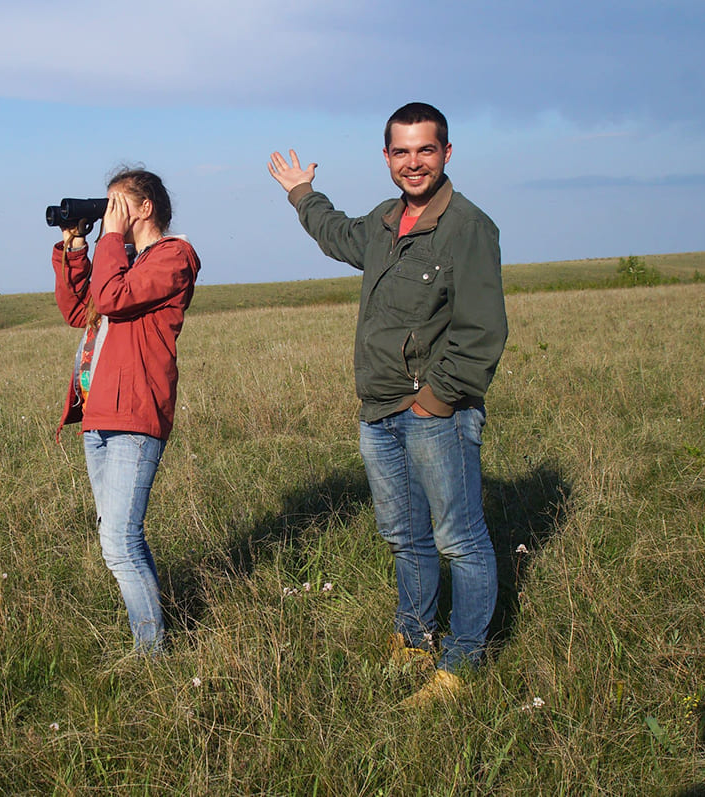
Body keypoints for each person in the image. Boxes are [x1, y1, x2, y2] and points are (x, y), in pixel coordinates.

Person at [268, 102, 508, 706]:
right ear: (387, 158)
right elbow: (338, 234)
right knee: (404, 536)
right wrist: (303, 195)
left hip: (434, 413)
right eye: (401, 152)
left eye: (425, 150)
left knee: (460, 540)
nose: (413, 163)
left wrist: (435, 401)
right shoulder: (383, 222)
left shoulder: (468, 227)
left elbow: (482, 331)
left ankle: (463, 661)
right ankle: (415, 638)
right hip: (378, 412)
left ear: (446, 153)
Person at [52, 168, 201, 654]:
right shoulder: (125, 262)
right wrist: (76, 249)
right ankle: (156, 633)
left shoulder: (174, 257)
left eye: (118, 203)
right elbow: (81, 310)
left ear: (146, 207)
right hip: (100, 414)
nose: (110, 213)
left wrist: (110, 239)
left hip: (135, 412)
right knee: (120, 538)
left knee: (118, 541)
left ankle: (151, 651)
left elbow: (113, 296)